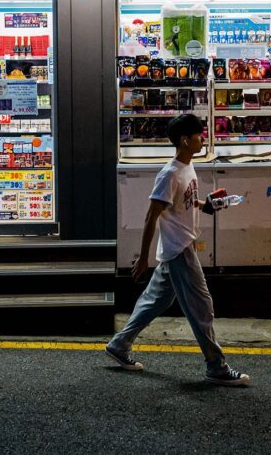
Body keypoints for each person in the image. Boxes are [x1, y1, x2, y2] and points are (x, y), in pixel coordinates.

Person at [105, 114, 250, 387]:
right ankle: (216, 367)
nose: (203, 139)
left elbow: (183, 202)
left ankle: (119, 344)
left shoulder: (187, 167)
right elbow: (152, 216)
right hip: (178, 249)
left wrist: (205, 204)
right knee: (201, 308)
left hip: (181, 245)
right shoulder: (169, 174)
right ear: (185, 140)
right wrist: (143, 257)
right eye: (198, 135)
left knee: (155, 301)